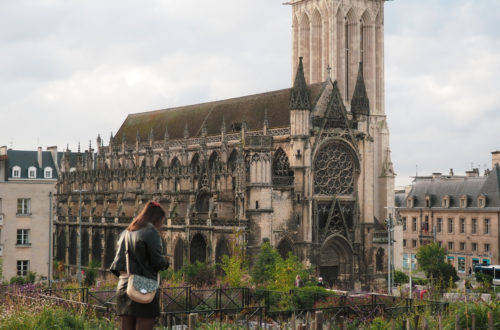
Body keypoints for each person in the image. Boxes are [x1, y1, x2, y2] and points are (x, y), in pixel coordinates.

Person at [110, 201, 169, 330]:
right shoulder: (151, 232)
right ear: (156, 218)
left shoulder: (127, 231)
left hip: (124, 287)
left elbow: (116, 265)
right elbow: (158, 262)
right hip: (143, 286)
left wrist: (129, 276)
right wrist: (166, 262)